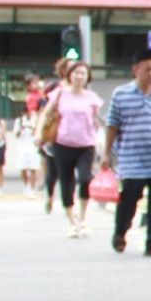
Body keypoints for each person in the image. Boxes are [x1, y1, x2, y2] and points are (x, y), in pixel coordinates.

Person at [104, 47, 151, 257]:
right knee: (129, 202)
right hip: (132, 160)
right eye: (147, 70)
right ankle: (120, 232)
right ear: (135, 70)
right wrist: (106, 153)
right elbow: (112, 125)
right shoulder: (121, 94)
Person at [47, 60, 103, 238]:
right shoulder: (59, 94)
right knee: (66, 181)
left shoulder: (92, 98)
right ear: (69, 75)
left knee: (86, 178)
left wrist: (101, 139)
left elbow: (97, 120)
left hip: (86, 144)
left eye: (83, 73)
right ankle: (72, 221)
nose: (79, 76)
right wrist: (39, 134)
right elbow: (46, 114)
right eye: (76, 73)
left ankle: (83, 217)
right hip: (63, 143)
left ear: (88, 78)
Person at [41, 58, 73, 214]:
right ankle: (50, 195)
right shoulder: (56, 88)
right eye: (70, 68)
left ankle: (70, 203)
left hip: (75, 136)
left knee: (70, 171)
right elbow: (44, 110)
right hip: (57, 133)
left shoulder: (82, 89)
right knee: (53, 170)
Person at [11, 103, 41, 196]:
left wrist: (32, 127)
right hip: (22, 148)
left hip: (33, 148)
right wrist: (21, 128)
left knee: (33, 169)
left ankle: (32, 188)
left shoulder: (35, 120)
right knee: (23, 169)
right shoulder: (18, 121)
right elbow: (16, 135)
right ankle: (26, 185)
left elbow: (36, 133)